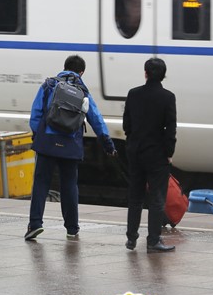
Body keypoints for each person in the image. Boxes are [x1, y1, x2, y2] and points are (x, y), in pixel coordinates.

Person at [25, 55, 116, 241]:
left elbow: (35, 114)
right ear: (81, 72)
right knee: (69, 186)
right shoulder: (83, 91)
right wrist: (108, 143)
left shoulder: (49, 85)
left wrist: (38, 134)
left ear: (64, 67)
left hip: (48, 142)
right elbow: (96, 119)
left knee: (41, 183)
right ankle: (72, 228)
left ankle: (35, 224)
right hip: (70, 144)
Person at [124, 58, 177, 253]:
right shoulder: (167, 97)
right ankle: (153, 240)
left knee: (135, 197)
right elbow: (170, 128)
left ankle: (131, 239)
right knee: (156, 198)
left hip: (135, 152)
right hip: (157, 155)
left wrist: (132, 142)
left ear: (145, 73)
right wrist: (169, 152)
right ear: (163, 75)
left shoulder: (133, 94)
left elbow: (126, 124)